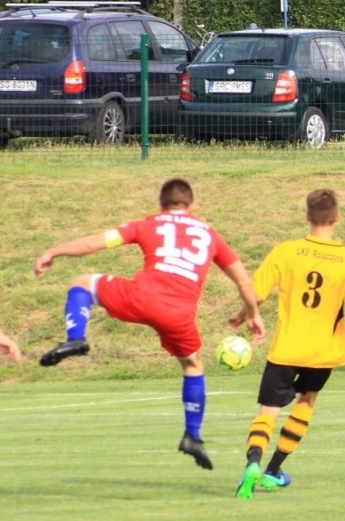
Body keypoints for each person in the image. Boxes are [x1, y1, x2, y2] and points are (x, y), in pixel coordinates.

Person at [33, 177, 266, 469]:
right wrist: (253, 313)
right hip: (179, 314)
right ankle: (192, 436)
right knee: (193, 366)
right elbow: (242, 279)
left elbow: (95, 243)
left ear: (161, 205)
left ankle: (76, 336)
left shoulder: (148, 224)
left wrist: (53, 251)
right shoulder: (210, 234)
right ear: (192, 207)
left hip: (141, 297)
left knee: (81, 284)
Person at [231, 187, 345, 499]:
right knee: (305, 403)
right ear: (337, 218)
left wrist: (244, 314)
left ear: (307, 216)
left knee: (268, 410)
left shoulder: (286, 251)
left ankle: (253, 463)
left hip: (285, 349)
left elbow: (256, 294)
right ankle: (273, 470)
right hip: (323, 353)